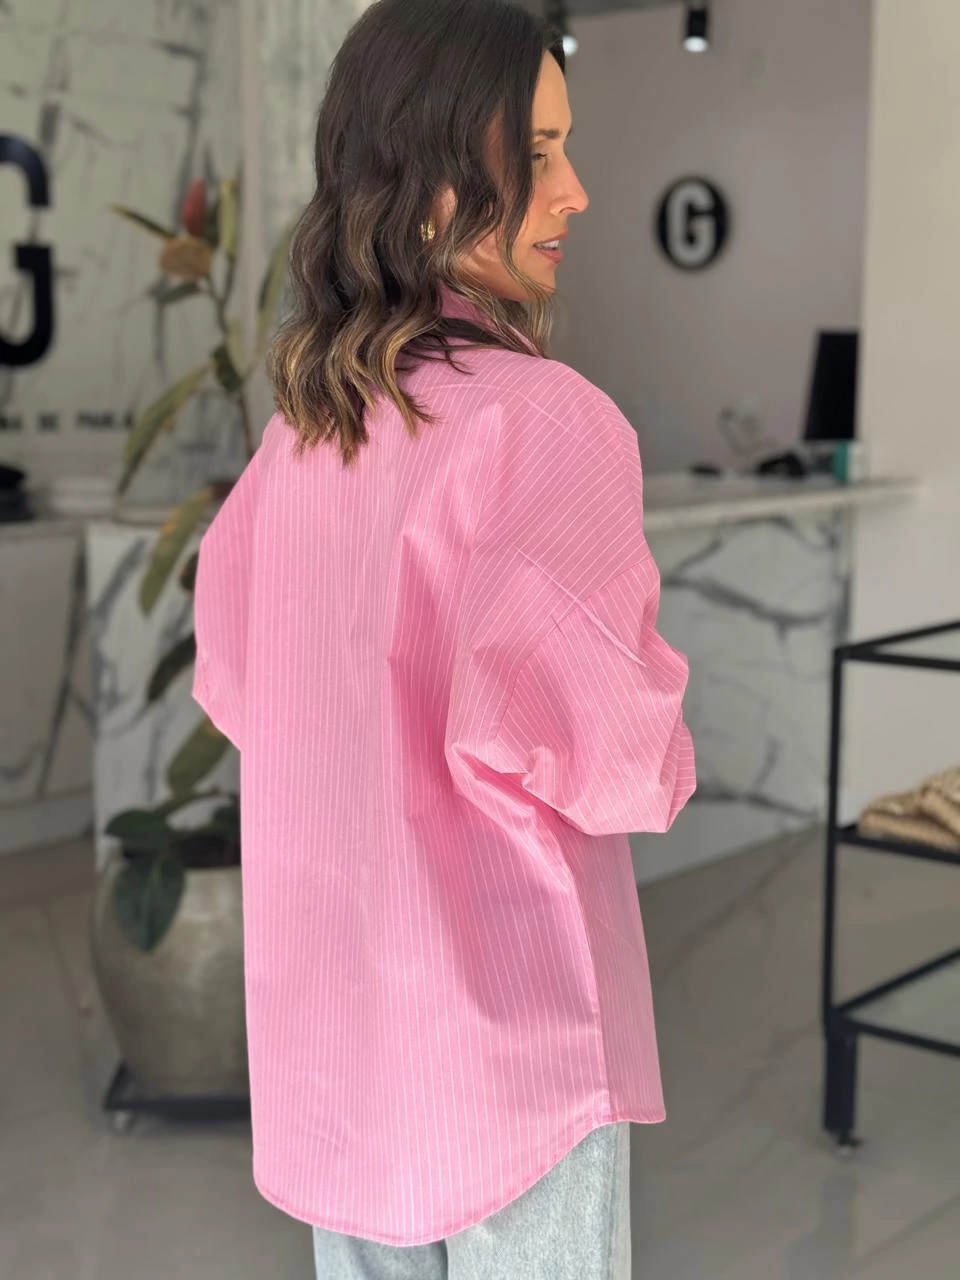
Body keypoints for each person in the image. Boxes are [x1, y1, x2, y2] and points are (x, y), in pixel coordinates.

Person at [191, 1, 696, 1276]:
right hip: (507, 1044)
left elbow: (242, 689)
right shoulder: (547, 425)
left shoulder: (299, 438)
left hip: (339, 1039)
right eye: (540, 154)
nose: (576, 192)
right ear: (430, 181)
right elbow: (624, 768)